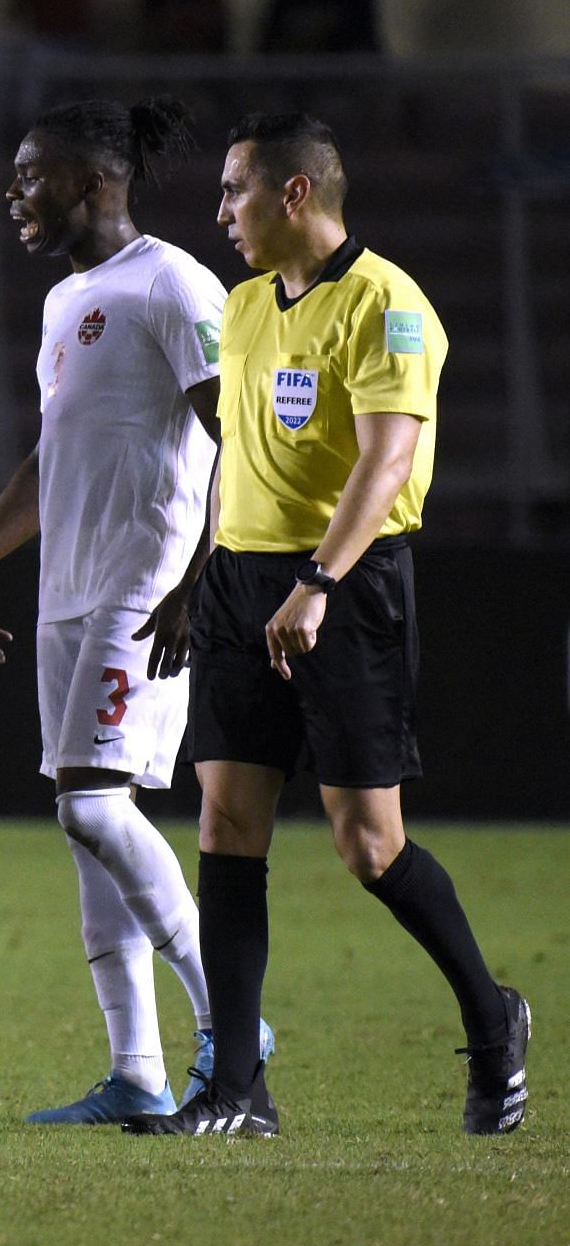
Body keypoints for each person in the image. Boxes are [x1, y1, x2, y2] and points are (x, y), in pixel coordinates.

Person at [125, 113, 528, 1137]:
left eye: (235, 192)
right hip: (239, 588)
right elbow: (241, 453)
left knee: (366, 841)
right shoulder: (250, 310)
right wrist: (202, 572)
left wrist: (316, 581)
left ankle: (493, 1019)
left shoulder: (390, 304)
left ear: (295, 194)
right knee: (226, 823)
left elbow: (385, 461)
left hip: (343, 590)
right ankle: (234, 1087)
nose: (220, 213)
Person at [0, 97, 276, 1126]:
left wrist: (200, 577)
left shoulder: (175, 283)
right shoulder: (67, 301)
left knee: (92, 803)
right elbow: (55, 459)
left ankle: (232, 1017)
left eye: (31, 175)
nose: (14, 194)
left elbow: (241, 438)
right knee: (86, 823)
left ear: (95, 181)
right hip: (68, 588)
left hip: (148, 581)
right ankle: (134, 1067)